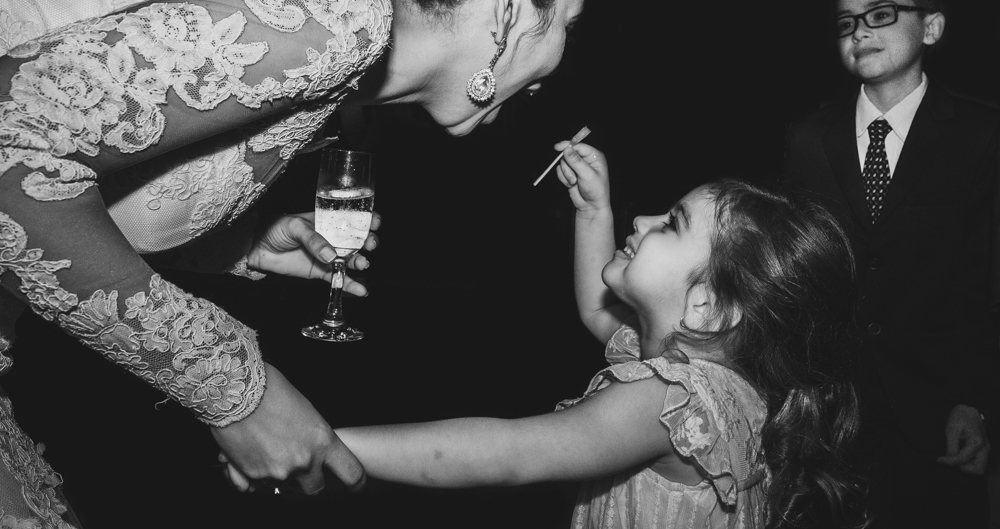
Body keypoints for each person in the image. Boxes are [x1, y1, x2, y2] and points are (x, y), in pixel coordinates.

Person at [0, 0, 589, 524]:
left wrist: (235, 244)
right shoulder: (333, 8)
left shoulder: (333, 89)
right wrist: (234, 390)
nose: (553, 72)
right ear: (511, 3)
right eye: (568, 22)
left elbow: (71, 179)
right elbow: (10, 150)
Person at [332, 141, 867, 528]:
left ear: (705, 305)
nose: (644, 220)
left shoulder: (673, 402)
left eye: (671, 224)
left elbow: (508, 453)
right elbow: (596, 309)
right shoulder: (714, 377)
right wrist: (593, 209)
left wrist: (326, 442)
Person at [783, 0, 1000, 528]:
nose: (859, 31)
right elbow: (796, 276)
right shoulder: (806, 140)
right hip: (831, 414)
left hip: (937, 412)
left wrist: (975, 400)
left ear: (931, 27)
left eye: (880, 15)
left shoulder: (982, 137)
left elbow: (986, 285)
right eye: (846, 23)